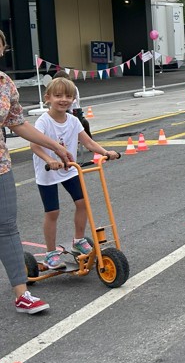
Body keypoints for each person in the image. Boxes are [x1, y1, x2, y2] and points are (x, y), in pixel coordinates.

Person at [1, 29, 75, 314]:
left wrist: (55, 147)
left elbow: (17, 123)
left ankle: (22, 294)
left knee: (7, 229)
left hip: (1, 165)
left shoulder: (5, 84)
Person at [29, 78, 120, 270]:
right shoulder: (43, 121)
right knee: (53, 212)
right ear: (48, 98)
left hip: (70, 169)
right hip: (48, 173)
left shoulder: (74, 120)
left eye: (68, 96)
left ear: (74, 99)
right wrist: (49, 160)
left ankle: (78, 240)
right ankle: (51, 253)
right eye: (58, 95)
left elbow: (88, 142)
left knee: (83, 203)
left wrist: (105, 152)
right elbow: (35, 145)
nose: (63, 100)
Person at [52, 71, 90, 139]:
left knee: (84, 123)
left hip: (74, 111)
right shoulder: (54, 90)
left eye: (68, 96)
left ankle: (87, 138)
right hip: (61, 112)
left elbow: (75, 101)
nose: (64, 99)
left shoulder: (73, 88)